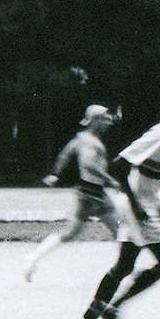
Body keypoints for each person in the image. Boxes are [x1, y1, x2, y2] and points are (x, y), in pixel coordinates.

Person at [73, 91, 160, 319]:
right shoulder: (159, 133)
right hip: (138, 207)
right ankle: (114, 308)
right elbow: (119, 165)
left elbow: (156, 169)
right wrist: (135, 204)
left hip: (145, 206)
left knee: (124, 266)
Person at [24, 105, 122, 284]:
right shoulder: (90, 141)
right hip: (92, 192)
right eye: (105, 120)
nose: (108, 124)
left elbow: (65, 154)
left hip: (90, 191)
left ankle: (34, 257)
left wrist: (56, 173)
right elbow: (89, 164)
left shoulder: (81, 138)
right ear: (95, 120)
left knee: (114, 230)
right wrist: (110, 180)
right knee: (118, 230)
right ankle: (125, 270)